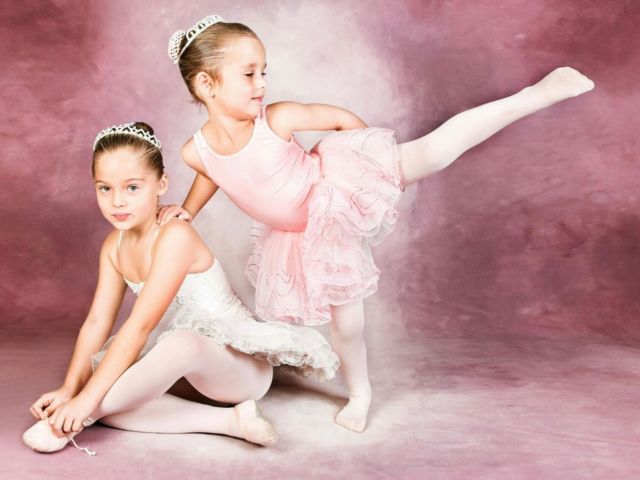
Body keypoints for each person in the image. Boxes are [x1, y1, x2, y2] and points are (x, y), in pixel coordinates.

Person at [158, 15, 595, 432]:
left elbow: (339, 119)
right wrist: (189, 209)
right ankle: (357, 391)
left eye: (263, 72)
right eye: (249, 74)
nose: (262, 84)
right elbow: (211, 173)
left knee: (434, 152)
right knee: (345, 324)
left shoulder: (276, 118)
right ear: (207, 84)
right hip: (305, 236)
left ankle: (536, 95)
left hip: (331, 196)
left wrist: (367, 165)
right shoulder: (196, 151)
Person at [23, 122, 339, 455]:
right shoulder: (113, 247)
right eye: (105, 188)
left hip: (238, 370)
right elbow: (96, 322)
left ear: (161, 184)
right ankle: (231, 422)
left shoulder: (175, 235)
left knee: (172, 349)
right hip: (185, 380)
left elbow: (141, 325)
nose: (117, 201)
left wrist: (83, 401)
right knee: (109, 388)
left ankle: (70, 422)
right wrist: (69, 387)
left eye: (133, 187)